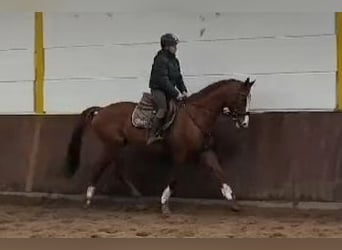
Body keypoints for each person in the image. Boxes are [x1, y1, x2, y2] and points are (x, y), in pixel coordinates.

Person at [147, 33, 188, 145]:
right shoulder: (160, 59)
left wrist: (184, 90)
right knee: (163, 109)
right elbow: (163, 80)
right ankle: (152, 135)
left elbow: (179, 78)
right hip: (158, 90)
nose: (176, 48)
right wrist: (176, 93)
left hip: (168, 90)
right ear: (166, 46)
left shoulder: (174, 61)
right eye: (173, 45)